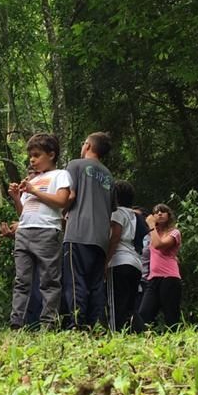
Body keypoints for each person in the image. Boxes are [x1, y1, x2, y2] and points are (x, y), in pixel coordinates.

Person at [8, 133, 71, 329]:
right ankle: (17, 323)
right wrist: (17, 197)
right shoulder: (32, 180)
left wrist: (34, 191)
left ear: (51, 155)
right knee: (21, 280)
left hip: (47, 230)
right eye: (30, 156)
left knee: (49, 280)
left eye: (36, 155)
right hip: (24, 231)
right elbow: (24, 213)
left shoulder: (60, 175)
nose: (32, 160)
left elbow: (62, 201)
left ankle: (48, 323)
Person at [62, 132, 115, 329]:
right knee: (95, 283)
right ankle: (96, 325)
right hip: (101, 237)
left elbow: (70, 195)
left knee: (75, 279)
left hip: (78, 232)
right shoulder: (109, 175)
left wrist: (59, 212)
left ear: (88, 146)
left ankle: (76, 324)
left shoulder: (75, 165)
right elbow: (111, 208)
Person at [137, 204, 183, 329]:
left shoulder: (174, 232)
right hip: (153, 278)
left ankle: (176, 339)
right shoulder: (152, 233)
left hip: (169, 278)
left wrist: (152, 226)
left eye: (163, 211)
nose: (159, 214)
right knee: (144, 314)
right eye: (156, 212)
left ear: (169, 215)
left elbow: (158, 245)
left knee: (171, 317)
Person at [107, 181, 143, 332]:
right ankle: (135, 332)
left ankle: (116, 332)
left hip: (119, 261)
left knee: (116, 304)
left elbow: (115, 237)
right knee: (130, 305)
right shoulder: (135, 215)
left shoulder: (117, 213)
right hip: (135, 262)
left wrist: (106, 261)